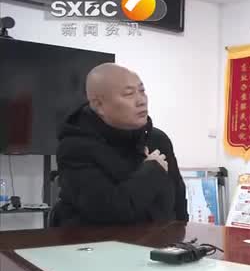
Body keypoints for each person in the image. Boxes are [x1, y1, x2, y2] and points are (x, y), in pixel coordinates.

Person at [55, 63, 188, 226]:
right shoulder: (75, 148)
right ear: (99, 105)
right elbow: (109, 211)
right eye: (128, 94)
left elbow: (179, 203)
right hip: (97, 240)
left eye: (142, 91)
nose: (141, 101)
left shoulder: (157, 139)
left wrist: (180, 236)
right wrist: (152, 170)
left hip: (160, 239)